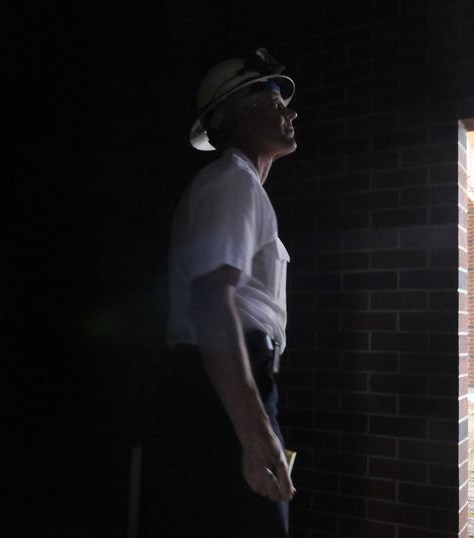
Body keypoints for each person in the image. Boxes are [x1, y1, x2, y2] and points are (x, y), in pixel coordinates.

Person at [161, 48, 298, 537]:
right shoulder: (234, 183)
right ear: (244, 112)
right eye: (276, 97)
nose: (291, 109)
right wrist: (254, 431)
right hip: (226, 387)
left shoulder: (238, 186)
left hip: (227, 382)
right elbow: (213, 301)